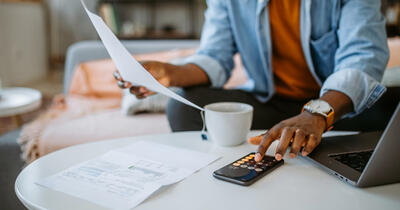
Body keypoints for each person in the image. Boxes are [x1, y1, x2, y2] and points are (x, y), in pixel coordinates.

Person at [114, 0, 400, 162]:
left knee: (393, 109)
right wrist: (171, 73)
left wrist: (317, 113)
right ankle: (302, 144)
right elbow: (215, 56)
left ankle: (313, 141)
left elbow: (362, 56)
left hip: (336, 107)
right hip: (273, 105)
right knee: (186, 108)